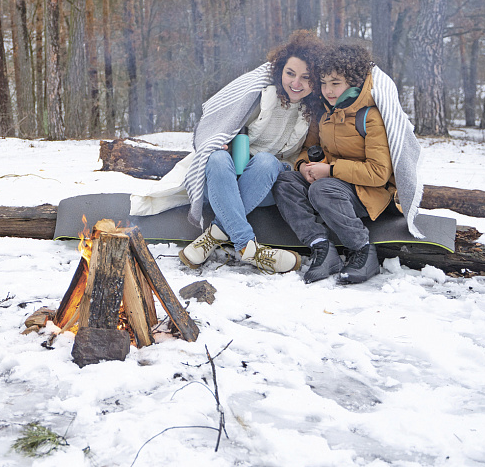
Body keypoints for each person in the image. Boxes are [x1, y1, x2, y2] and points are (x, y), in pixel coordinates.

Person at [133, 31, 324, 273]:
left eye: (306, 78)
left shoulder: (315, 112)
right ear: (280, 71)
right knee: (217, 156)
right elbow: (219, 122)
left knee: (266, 161)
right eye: (290, 73)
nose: (296, 83)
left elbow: (308, 153)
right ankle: (249, 248)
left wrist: (302, 166)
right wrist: (223, 140)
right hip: (225, 177)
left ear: (315, 80)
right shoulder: (259, 94)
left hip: (267, 181)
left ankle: (214, 235)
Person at [271, 42, 422, 284]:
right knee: (285, 181)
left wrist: (329, 170)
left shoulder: (370, 116)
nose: (328, 90)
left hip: (368, 192)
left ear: (352, 82)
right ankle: (322, 247)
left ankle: (363, 251)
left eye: (335, 83)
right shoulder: (323, 112)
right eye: (324, 83)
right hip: (331, 183)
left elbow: (379, 173)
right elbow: (307, 149)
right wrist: (303, 167)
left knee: (323, 188)